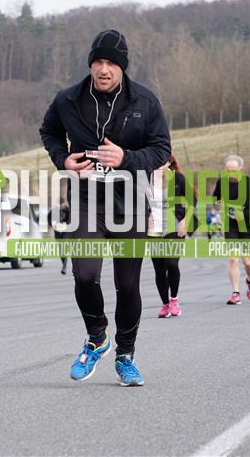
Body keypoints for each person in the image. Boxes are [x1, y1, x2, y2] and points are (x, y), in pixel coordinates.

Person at [39, 29, 171, 386]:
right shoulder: (68, 99)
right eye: (98, 61)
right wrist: (63, 160)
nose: (104, 69)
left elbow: (161, 149)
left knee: (127, 285)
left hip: (131, 202)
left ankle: (126, 355)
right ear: (90, 64)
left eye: (111, 63)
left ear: (122, 67)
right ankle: (97, 337)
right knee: (84, 274)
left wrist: (126, 157)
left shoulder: (145, 101)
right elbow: (49, 132)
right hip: (87, 199)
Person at [148, 155, 193, 317]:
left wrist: (185, 221)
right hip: (154, 230)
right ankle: (165, 304)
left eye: (162, 162)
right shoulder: (146, 179)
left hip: (175, 227)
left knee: (172, 263)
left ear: (168, 162)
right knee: (159, 269)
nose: (159, 165)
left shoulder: (178, 178)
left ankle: (174, 300)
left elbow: (192, 201)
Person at [214, 155, 250, 305]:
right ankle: (235, 293)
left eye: (233, 170)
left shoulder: (249, 184)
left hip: (248, 225)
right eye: (228, 170)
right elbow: (215, 198)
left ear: (240, 168)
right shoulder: (222, 182)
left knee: (247, 262)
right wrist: (218, 204)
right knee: (233, 259)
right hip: (231, 225)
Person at [52, 203, 71, 275]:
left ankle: (64, 267)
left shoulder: (67, 210)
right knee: (61, 250)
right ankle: (64, 264)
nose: (60, 206)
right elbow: (50, 219)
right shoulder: (54, 211)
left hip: (65, 232)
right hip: (57, 233)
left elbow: (70, 220)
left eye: (61, 204)